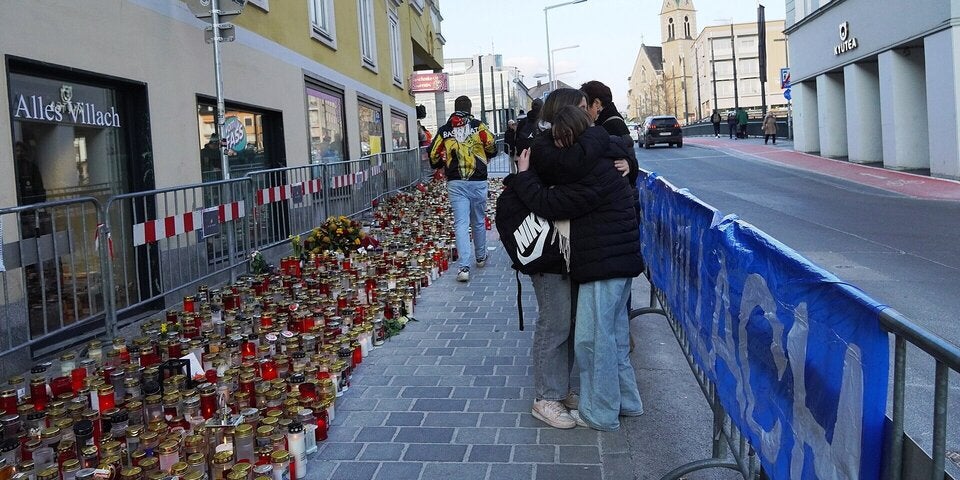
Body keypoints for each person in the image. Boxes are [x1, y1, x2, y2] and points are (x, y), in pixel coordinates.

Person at [513, 105, 645, 432]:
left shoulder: (592, 168)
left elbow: (551, 203)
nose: (558, 145)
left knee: (593, 341)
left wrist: (525, 176)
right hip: (616, 262)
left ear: (571, 136)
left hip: (604, 264)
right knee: (614, 338)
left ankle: (599, 413)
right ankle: (626, 402)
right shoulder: (606, 155)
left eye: (560, 138)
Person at [428, 95, 496, 282]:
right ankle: (480, 257)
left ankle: (464, 267)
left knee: (461, 223)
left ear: (455, 108)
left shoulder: (445, 129)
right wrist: (486, 154)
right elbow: (492, 145)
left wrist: (440, 164)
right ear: (470, 108)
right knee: (478, 220)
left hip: (456, 182)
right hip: (478, 180)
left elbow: (433, 154)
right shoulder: (478, 126)